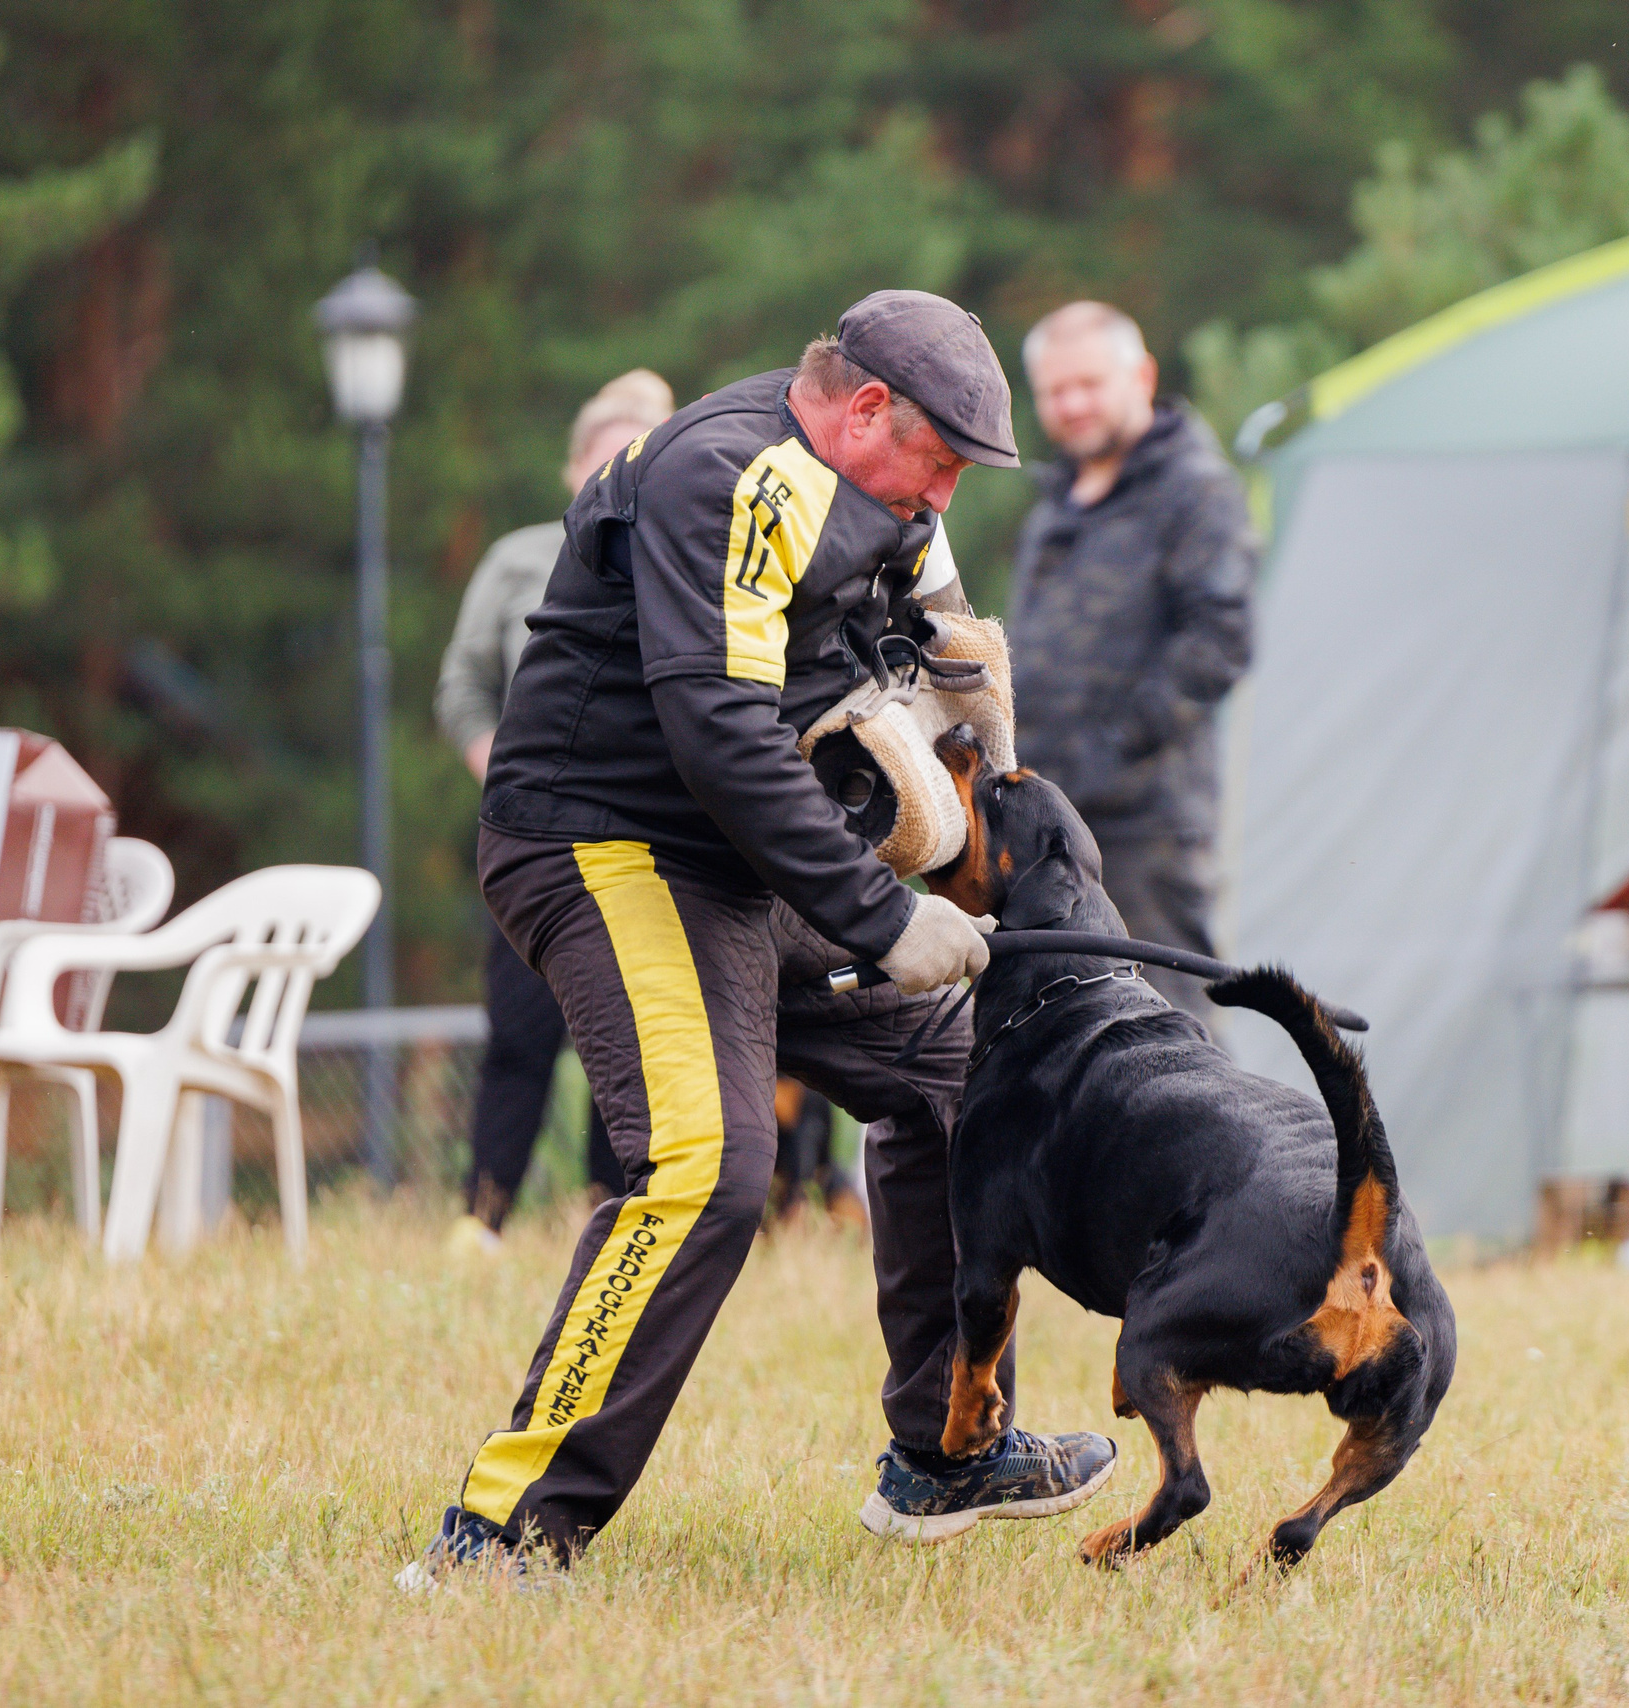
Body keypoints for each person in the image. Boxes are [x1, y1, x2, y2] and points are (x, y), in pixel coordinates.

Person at [402, 291, 1115, 1582]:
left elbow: (945, 647)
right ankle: (499, 1536)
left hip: (736, 862)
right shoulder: (731, 477)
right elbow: (720, 733)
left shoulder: (887, 501)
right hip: (606, 842)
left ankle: (946, 1451)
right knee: (707, 1167)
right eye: (939, 463)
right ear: (863, 413)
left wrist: (987, 773)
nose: (945, 494)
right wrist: (881, 915)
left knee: (968, 1085)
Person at [435, 371, 675, 1247]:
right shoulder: (516, 559)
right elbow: (461, 683)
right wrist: (499, 766)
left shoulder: (684, 560)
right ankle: (483, 1216)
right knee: (519, 1034)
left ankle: (607, 1218)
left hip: (644, 841)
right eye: (603, 455)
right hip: (530, 838)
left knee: (631, 1042)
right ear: (574, 466)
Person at [1007, 302, 1254, 1016]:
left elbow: (1218, 643)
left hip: (1146, 826)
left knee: (1169, 1022)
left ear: (1140, 375)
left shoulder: (1194, 490)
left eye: (1089, 383)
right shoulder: (1058, 504)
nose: (1073, 404)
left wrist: (1108, 754)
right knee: (1060, 1023)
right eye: (1056, 391)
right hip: (1049, 821)